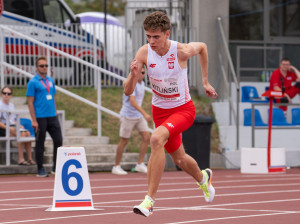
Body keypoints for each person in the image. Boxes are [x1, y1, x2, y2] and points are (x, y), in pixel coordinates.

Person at [123, 11, 218, 217]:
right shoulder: (144, 53)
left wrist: (205, 81)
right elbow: (127, 90)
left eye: (156, 36)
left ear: (167, 34)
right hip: (160, 111)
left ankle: (149, 201)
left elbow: (202, 47)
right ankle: (204, 178)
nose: (151, 41)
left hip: (183, 109)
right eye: (148, 36)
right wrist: (132, 76)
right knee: (180, 159)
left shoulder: (181, 51)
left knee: (156, 138)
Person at [26, 56, 63, 177]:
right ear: (37, 68)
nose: (44, 68)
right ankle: (40, 169)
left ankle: (56, 167)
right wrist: (34, 120)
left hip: (52, 116)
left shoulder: (50, 80)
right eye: (42, 66)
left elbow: (53, 98)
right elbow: (30, 102)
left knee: (58, 140)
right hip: (40, 117)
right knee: (40, 143)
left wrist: (55, 112)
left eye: (46, 65)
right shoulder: (33, 82)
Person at [112, 67, 151, 175]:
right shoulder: (131, 83)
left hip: (138, 116)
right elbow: (133, 102)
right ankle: (116, 166)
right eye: (140, 72)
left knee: (146, 137)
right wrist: (145, 113)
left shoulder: (142, 83)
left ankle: (139, 164)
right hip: (128, 116)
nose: (142, 75)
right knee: (124, 140)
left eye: (144, 73)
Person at [0, 86, 36, 166]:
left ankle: (29, 158)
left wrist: (19, 125)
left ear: (11, 95)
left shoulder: (11, 105)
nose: (6, 95)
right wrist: (8, 127)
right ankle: (21, 159)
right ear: (1, 94)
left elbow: (13, 119)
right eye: (4, 93)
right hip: (3, 127)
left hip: (12, 126)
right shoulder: (0, 105)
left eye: (8, 93)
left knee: (27, 133)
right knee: (22, 134)